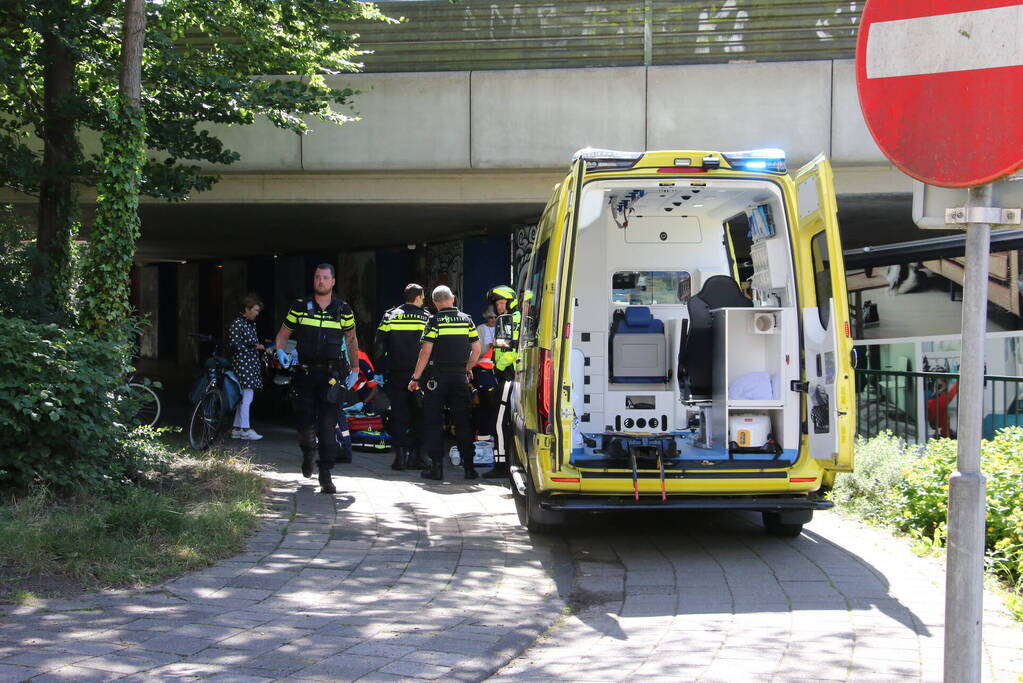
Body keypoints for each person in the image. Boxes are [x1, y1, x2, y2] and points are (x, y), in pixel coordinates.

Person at [274, 264, 359, 494]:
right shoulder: (300, 307)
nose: (320, 281)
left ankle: (325, 474)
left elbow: (351, 340)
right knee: (304, 423)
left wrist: (355, 369)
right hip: (305, 373)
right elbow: (283, 335)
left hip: (331, 375)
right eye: (317, 277)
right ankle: (308, 451)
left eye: (325, 278)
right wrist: (280, 350)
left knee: (327, 425)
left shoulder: (343, 309)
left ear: (333, 282)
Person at [409, 285, 481, 481]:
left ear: (434, 303)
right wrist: (466, 368)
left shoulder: (434, 321)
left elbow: (425, 352)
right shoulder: (467, 320)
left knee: (433, 422)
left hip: (437, 379)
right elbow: (476, 350)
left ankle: (437, 468)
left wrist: (416, 378)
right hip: (459, 378)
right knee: (463, 422)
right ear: (453, 299)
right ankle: (469, 468)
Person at [375, 283, 429, 471]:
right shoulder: (426, 318)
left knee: (398, 415)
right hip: (419, 376)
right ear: (418, 297)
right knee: (420, 415)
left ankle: (399, 458)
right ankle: (417, 457)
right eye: (423, 296)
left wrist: (381, 369)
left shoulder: (390, 315)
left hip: (396, 374)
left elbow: (379, 345)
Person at [485, 285, 519, 479]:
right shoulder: (507, 320)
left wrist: (499, 366)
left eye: (501, 303)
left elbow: (514, 350)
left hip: (508, 377)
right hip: (505, 377)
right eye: (497, 303)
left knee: (497, 423)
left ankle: (501, 465)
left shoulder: (512, 321)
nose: (498, 307)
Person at [228, 293, 265, 441]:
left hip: (250, 365)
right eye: (255, 310)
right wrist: (254, 347)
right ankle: (245, 428)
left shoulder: (249, 324)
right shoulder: (239, 323)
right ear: (247, 309)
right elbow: (234, 345)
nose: (257, 314)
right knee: (247, 397)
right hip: (244, 366)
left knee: (243, 398)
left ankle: (236, 429)